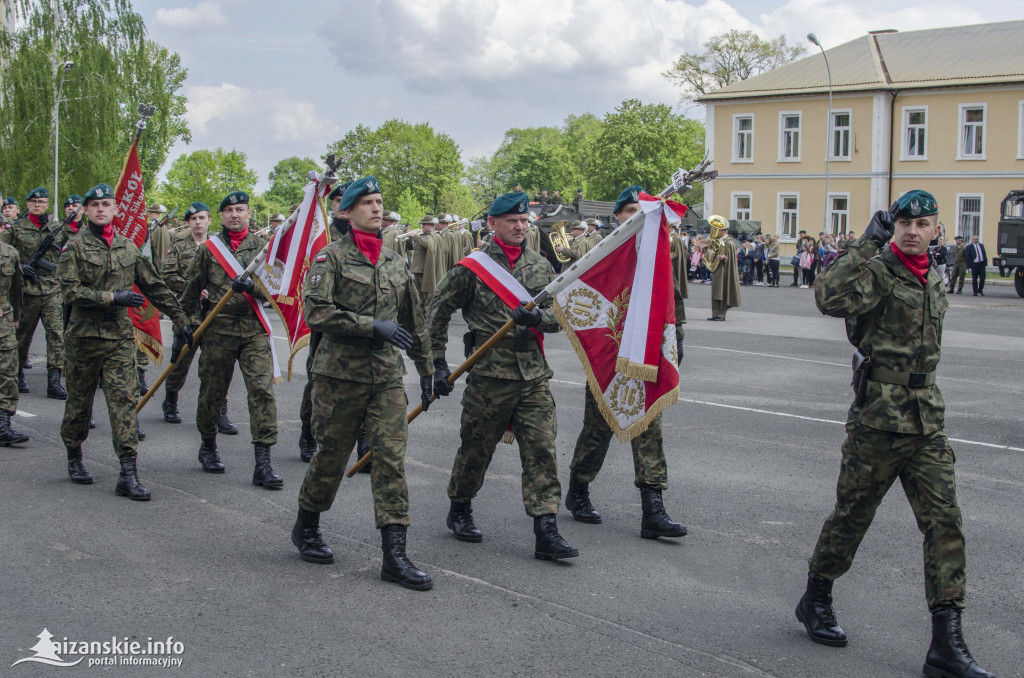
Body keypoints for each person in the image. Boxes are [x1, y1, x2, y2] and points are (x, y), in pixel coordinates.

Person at [798, 190, 994, 678]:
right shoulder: (880, 272)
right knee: (851, 518)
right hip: (878, 421)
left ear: (936, 230)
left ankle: (946, 645)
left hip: (927, 419)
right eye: (903, 222)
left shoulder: (936, 276)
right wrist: (867, 243)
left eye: (921, 223)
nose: (911, 230)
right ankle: (816, 596)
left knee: (945, 525)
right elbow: (829, 297)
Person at [292, 176, 436, 591]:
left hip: (386, 376)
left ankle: (395, 555)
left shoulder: (393, 261)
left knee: (389, 459)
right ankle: (307, 525)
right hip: (339, 375)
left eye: (379, 202)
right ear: (346, 212)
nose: (376, 208)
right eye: (367, 203)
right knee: (332, 456)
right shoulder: (329, 259)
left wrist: (427, 369)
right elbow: (316, 313)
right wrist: (370, 325)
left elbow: (414, 321)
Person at [429, 191, 578, 561]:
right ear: (492, 224)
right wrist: (435, 364)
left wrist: (538, 319)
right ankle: (460, 506)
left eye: (524, 220)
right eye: (512, 220)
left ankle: (546, 529)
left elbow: (561, 317)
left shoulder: (540, 266)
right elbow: (436, 313)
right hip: (488, 378)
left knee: (542, 451)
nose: (520, 226)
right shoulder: (471, 268)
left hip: (533, 377)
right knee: (476, 449)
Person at [564, 185, 687, 539]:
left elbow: (671, 305)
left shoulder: (655, 254)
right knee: (597, 430)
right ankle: (579, 490)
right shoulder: (602, 254)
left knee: (650, 429)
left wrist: (676, 346)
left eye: (641, 210)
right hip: (609, 355)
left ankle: (653, 509)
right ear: (616, 217)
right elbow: (578, 296)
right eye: (630, 211)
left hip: (648, 357)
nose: (636, 217)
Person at [57, 183, 193, 500]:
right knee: (79, 405)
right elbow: (69, 292)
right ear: (86, 211)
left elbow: (155, 286)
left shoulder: (128, 248)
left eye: (107, 203)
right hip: (83, 340)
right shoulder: (73, 248)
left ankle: (128, 472)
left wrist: (180, 318)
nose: (101, 209)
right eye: (95, 205)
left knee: (124, 405)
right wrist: (113, 296)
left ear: (116, 209)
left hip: (118, 340)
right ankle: (74, 455)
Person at [179, 191, 281, 487]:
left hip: (253, 331)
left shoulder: (263, 248)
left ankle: (263, 462)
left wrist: (252, 288)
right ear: (221, 216)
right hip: (217, 331)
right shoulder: (210, 250)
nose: (235, 215)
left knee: (262, 393)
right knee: (212, 391)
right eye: (229, 211)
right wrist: (182, 325)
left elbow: (275, 292)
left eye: (240, 209)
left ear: (249, 214)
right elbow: (190, 289)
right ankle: (208, 445)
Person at [159, 202, 236, 433]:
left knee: (218, 367)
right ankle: (171, 400)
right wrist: (192, 287)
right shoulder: (178, 245)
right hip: (189, 314)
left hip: (214, 315)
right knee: (181, 362)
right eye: (193, 219)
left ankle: (220, 412)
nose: (198, 222)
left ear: (210, 220)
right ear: (188, 222)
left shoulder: (220, 246)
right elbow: (167, 275)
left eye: (202, 218)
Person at [1, 188, 69, 399]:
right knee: (22, 336)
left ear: (47, 204)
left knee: (57, 335)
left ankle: (54, 380)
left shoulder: (57, 228)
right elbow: (4, 254)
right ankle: (19, 373)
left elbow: (73, 245)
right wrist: (21, 266)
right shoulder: (15, 228)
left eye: (41, 201)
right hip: (26, 291)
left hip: (51, 289)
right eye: (33, 202)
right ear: (27, 204)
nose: (37, 205)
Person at [0, 235, 29, 446]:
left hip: (4, 319)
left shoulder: (9, 253)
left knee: (7, 371)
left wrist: (17, 316)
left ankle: (3, 425)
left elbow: (17, 288)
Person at [709, 228, 740, 321]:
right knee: (715, 291)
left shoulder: (729, 243)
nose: (717, 232)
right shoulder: (716, 241)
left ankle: (721, 314)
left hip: (724, 270)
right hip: (716, 269)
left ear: (724, 231)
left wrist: (724, 257)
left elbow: (731, 258)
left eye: (719, 230)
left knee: (722, 291)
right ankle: (715, 313)